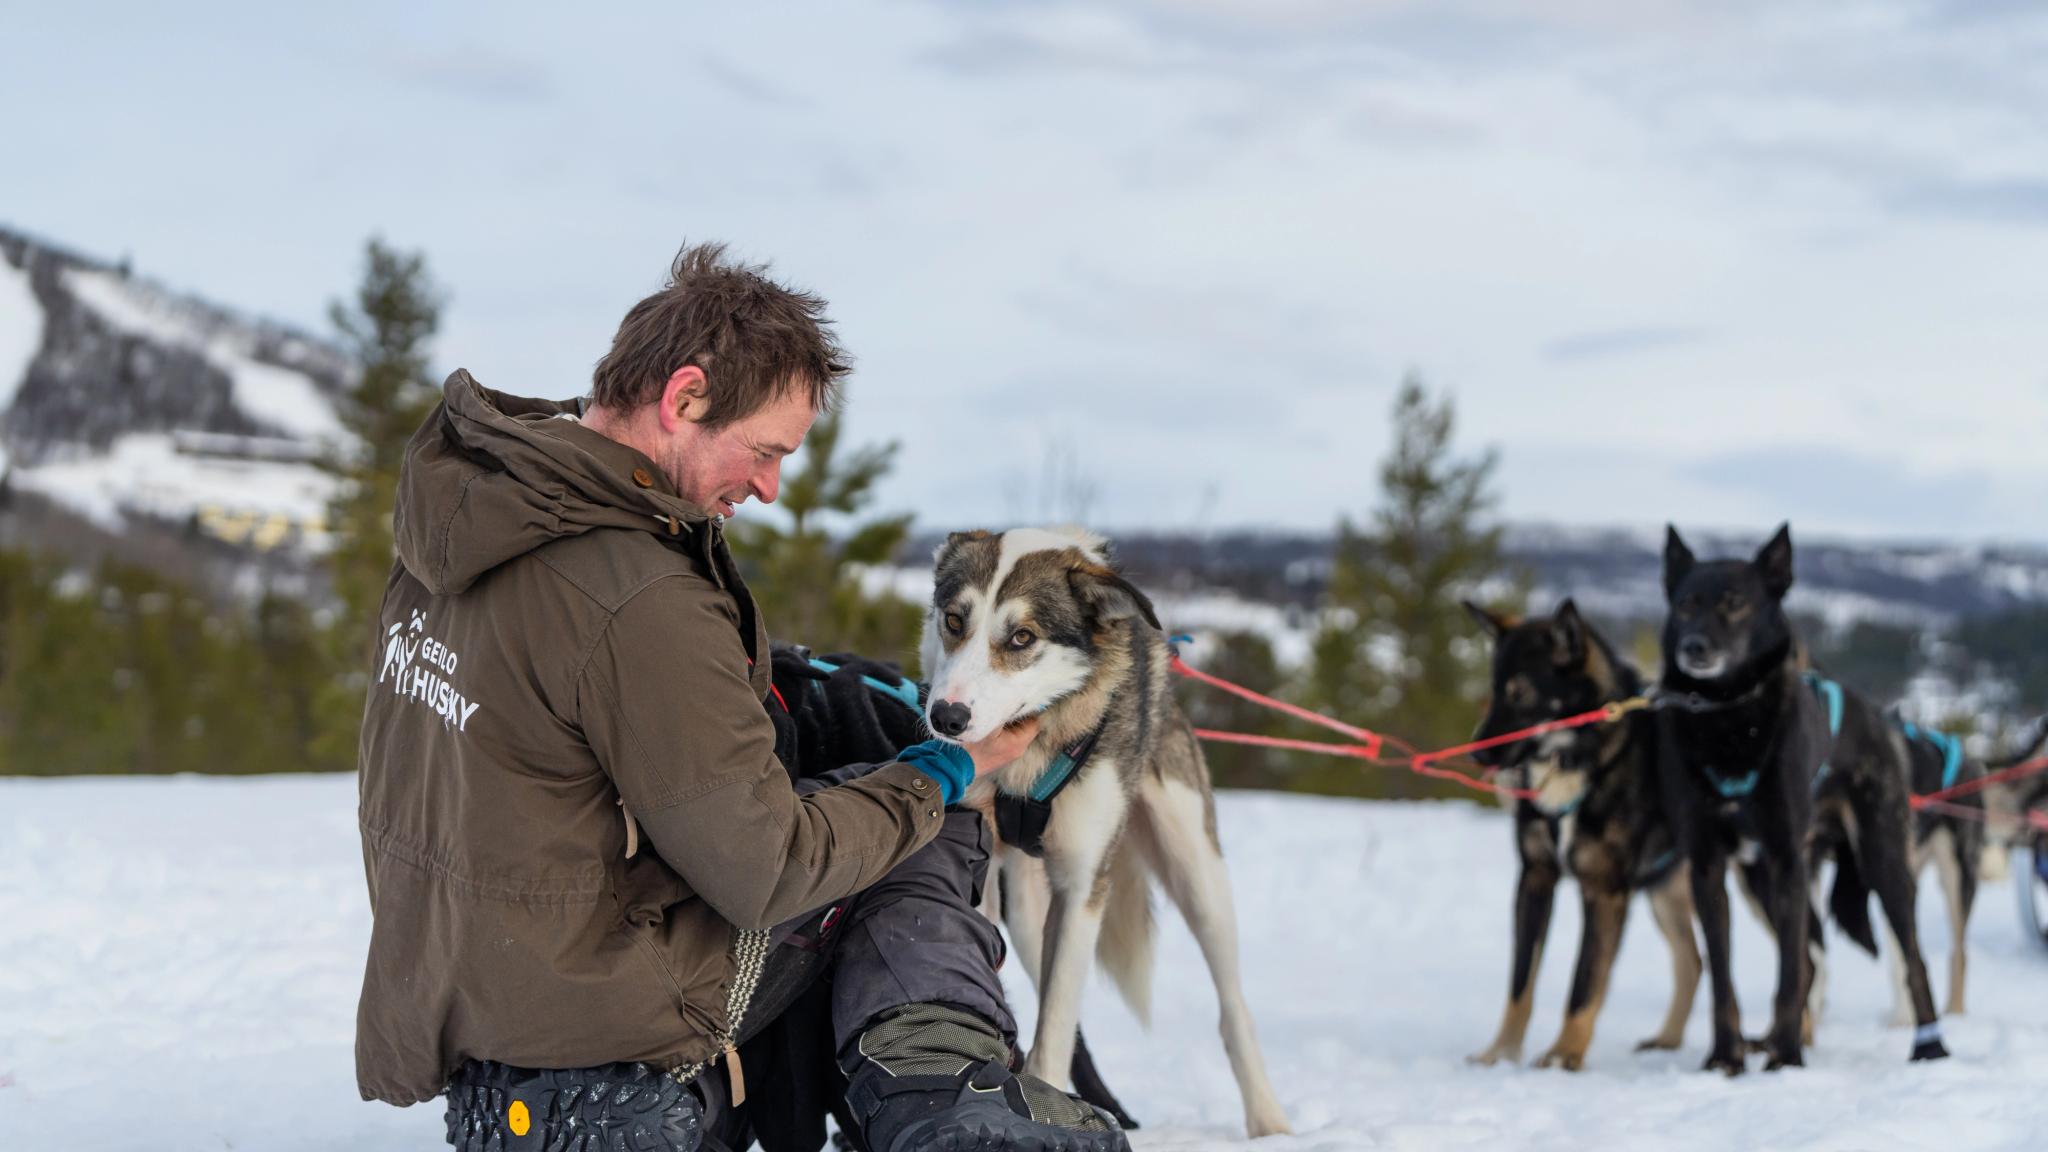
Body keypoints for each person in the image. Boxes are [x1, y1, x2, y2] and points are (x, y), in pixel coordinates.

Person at [353, 243, 1128, 1152]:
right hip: (605, 1024)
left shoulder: (475, 517)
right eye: (764, 451)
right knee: (920, 814)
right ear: (683, 398)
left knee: (859, 794)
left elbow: (563, 712)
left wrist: (773, 682)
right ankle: (947, 1111)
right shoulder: (637, 590)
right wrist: (940, 768)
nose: (766, 485)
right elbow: (768, 871)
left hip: (490, 1006)